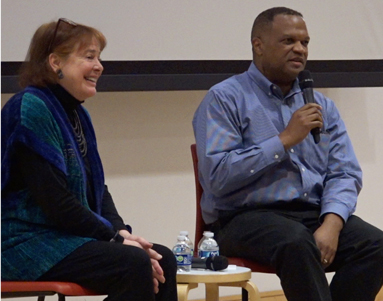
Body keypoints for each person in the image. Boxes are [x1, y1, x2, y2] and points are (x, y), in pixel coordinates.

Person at [192, 7, 383, 301]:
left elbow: (344, 172)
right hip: (243, 218)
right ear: (258, 45)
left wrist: (332, 223)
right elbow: (217, 177)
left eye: (305, 42)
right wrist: (283, 140)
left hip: (310, 214)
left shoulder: (320, 104)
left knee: (376, 245)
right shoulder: (224, 98)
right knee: (296, 242)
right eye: (288, 41)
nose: (299, 49)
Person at [1, 18, 177, 301]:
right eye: (89, 56)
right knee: (133, 262)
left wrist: (120, 230)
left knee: (163, 258)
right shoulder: (30, 107)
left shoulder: (77, 113)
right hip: (22, 242)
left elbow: (97, 188)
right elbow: (56, 203)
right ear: (55, 62)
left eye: (99, 57)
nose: (99, 66)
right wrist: (115, 239)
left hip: (63, 237)